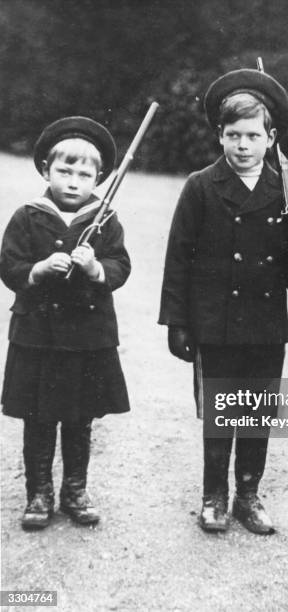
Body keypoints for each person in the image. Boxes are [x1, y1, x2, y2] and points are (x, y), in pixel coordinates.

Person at [159, 68, 288, 534]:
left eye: (252, 135)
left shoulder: (285, 191)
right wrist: (177, 323)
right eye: (232, 135)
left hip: (265, 325)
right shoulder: (201, 186)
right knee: (222, 411)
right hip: (215, 322)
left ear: (271, 138)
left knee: (258, 410)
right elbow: (178, 257)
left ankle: (248, 494)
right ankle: (214, 497)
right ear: (219, 136)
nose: (242, 145)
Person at [0, 116, 131, 530]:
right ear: (45, 170)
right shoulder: (27, 216)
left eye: (84, 174)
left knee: (79, 416)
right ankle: (39, 493)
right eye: (64, 171)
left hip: (85, 338)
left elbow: (120, 265)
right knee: (38, 417)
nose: (73, 181)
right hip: (38, 336)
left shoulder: (105, 218)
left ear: (99, 177)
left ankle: (75, 489)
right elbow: (9, 264)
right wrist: (37, 269)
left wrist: (95, 268)